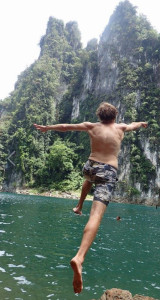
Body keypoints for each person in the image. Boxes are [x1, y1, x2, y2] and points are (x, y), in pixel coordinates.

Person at [34, 102, 148, 294]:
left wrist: (48, 128)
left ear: (100, 116)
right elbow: (133, 125)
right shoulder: (120, 128)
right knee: (95, 216)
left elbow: (65, 127)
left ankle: (79, 206)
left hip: (90, 166)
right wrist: (142, 123)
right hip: (108, 171)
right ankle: (79, 258)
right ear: (115, 116)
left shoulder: (91, 126)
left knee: (89, 178)